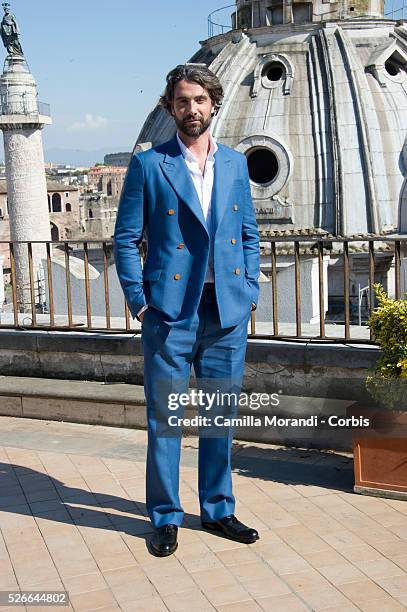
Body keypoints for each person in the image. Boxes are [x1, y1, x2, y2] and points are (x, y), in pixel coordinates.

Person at [114, 64, 260, 557]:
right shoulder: (150, 165)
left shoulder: (236, 164)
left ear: (213, 103)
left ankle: (218, 509)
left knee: (220, 415)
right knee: (166, 419)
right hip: (170, 312)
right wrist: (139, 301)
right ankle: (165, 516)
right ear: (170, 107)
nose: (191, 109)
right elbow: (127, 239)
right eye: (181, 101)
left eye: (199, 99)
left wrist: (251, 288)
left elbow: (249, 234)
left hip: (226, 311)